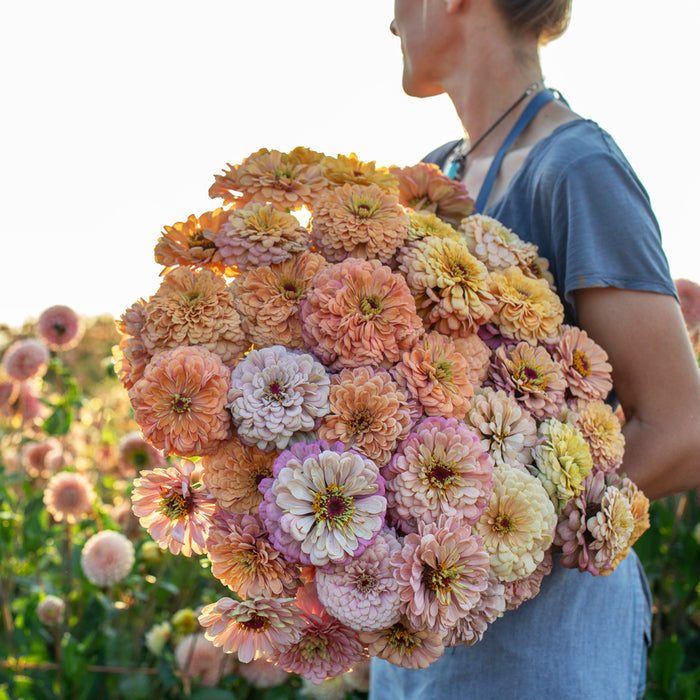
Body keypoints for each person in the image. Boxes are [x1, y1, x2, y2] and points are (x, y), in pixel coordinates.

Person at [369, 1, 700, 698]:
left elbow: (681, 431)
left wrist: (498, 537)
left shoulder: (577, 167)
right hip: (421, 640)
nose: (391, 21)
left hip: (543, 648)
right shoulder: (432, 179)